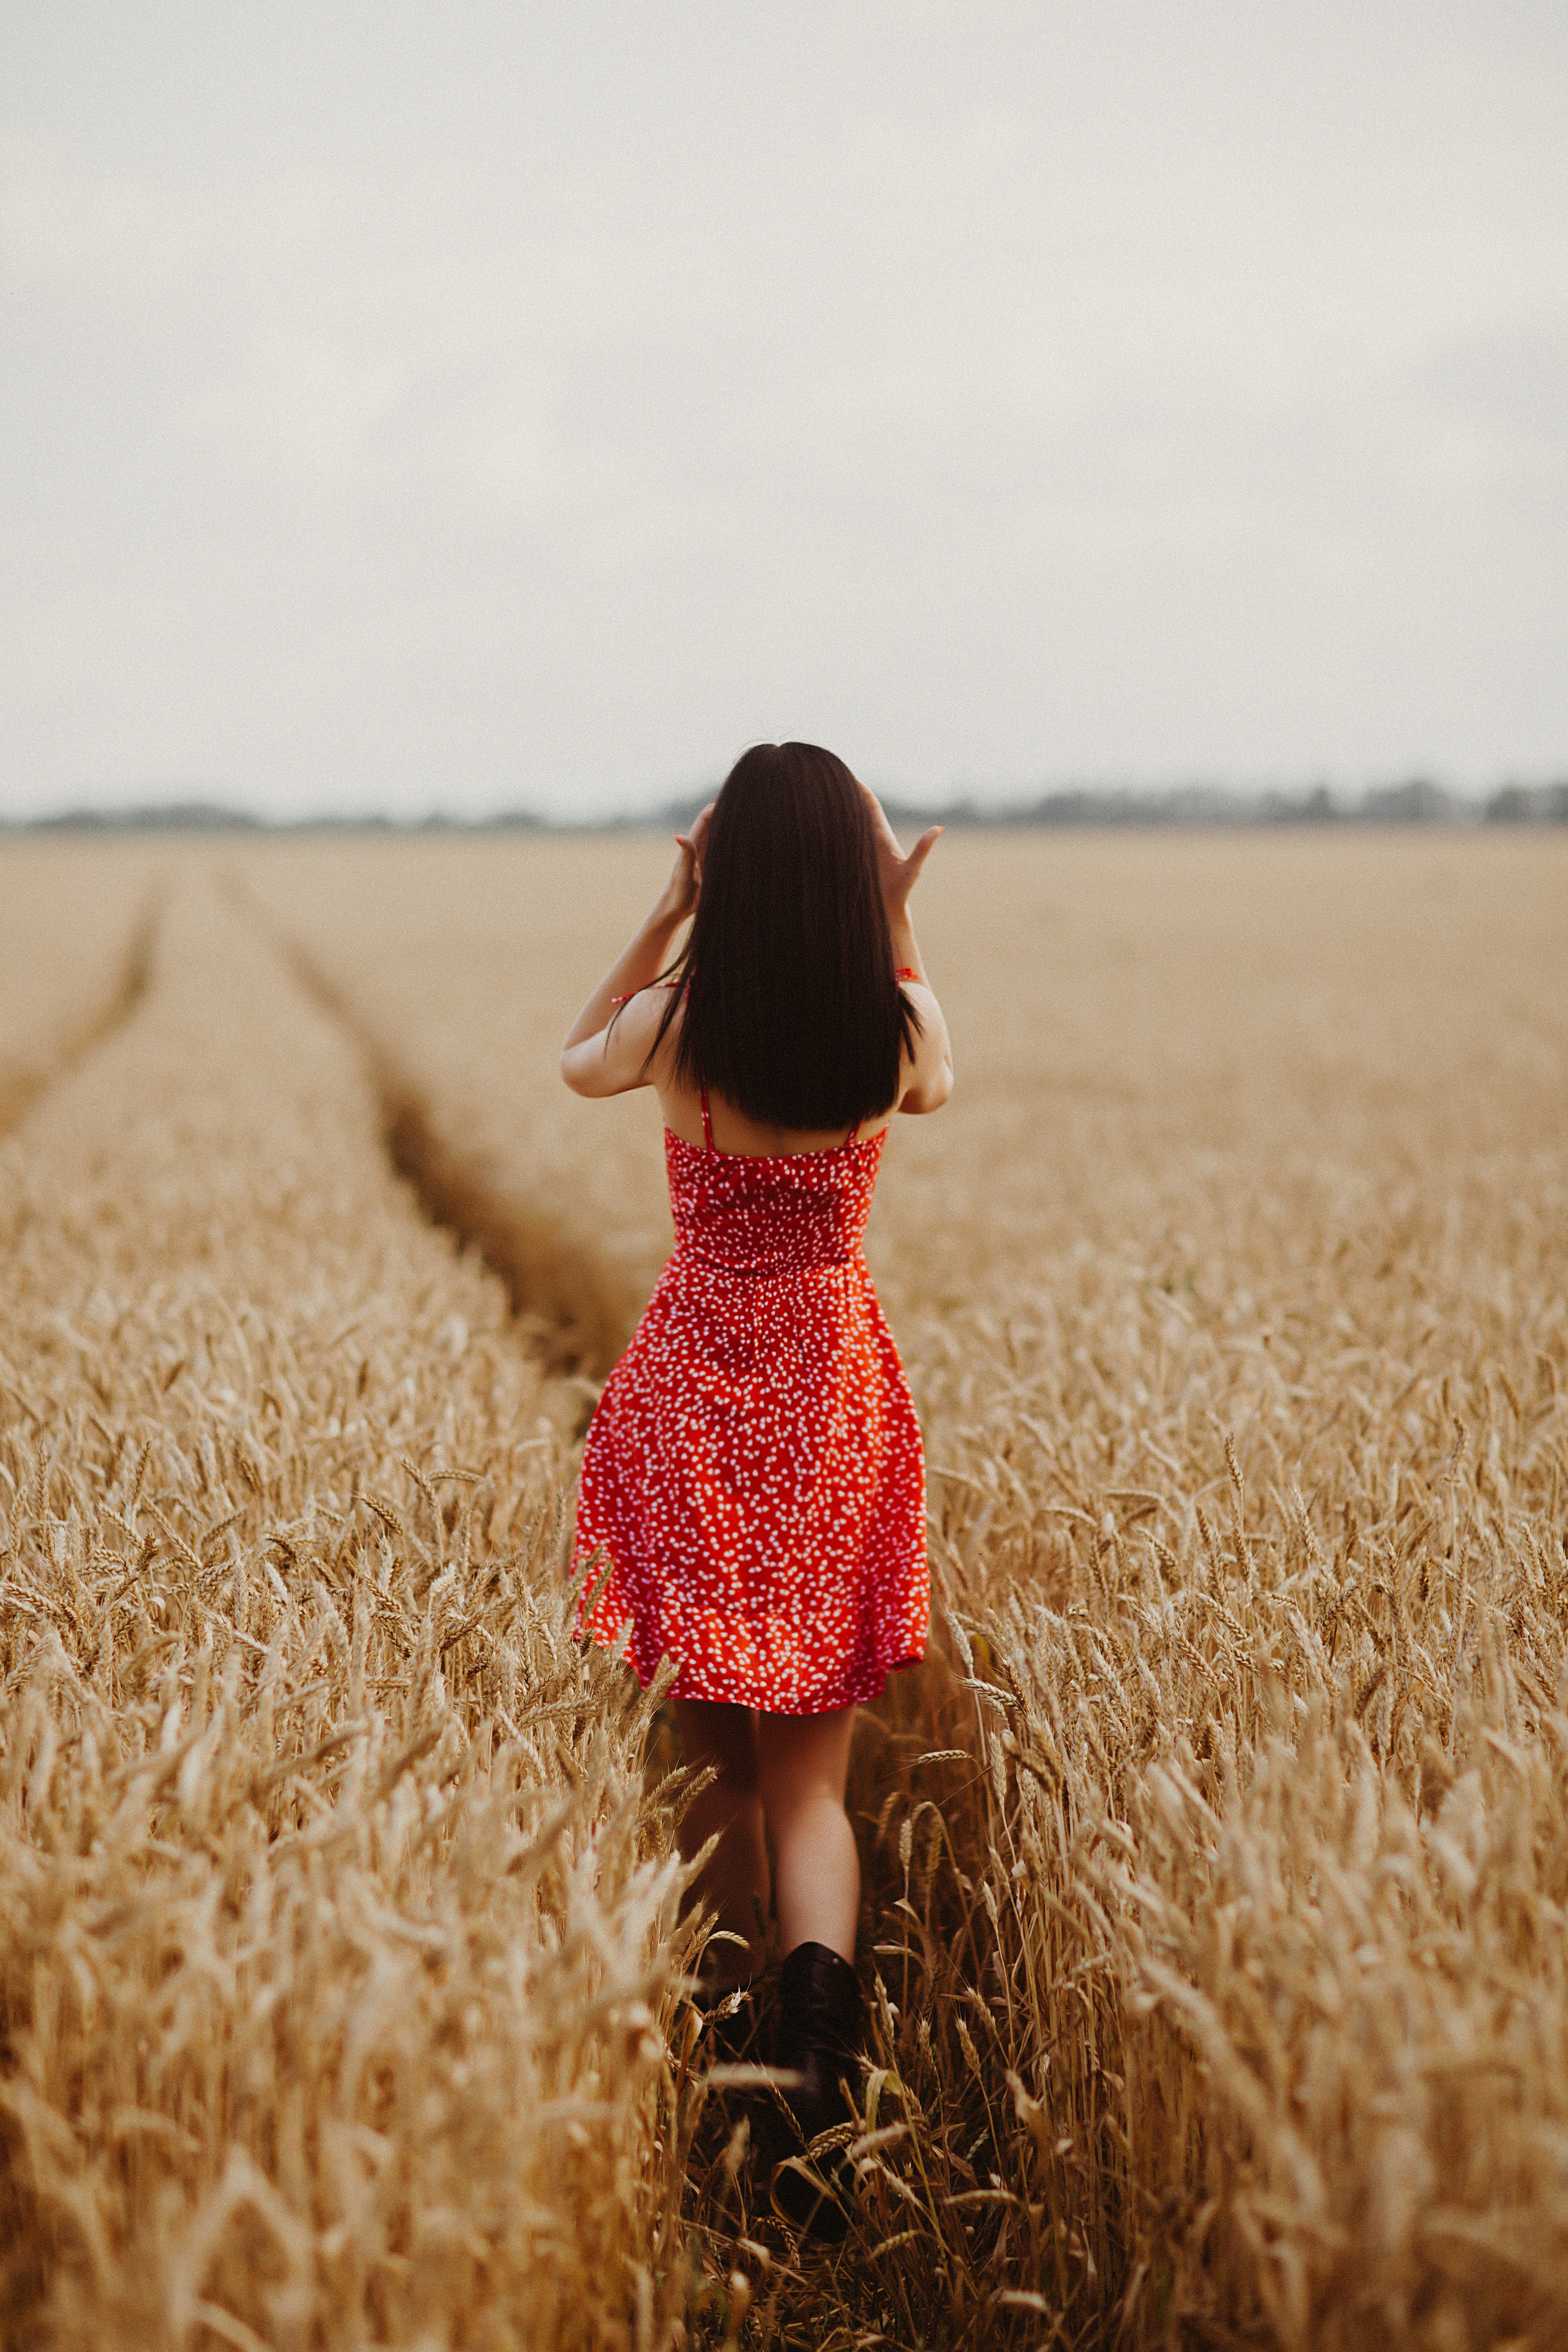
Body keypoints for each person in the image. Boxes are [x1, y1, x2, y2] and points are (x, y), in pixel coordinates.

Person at [560, 741, 952, 2238]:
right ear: (848, 878)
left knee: (710, 1760)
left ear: (727, 865)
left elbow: (573, 1056)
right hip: (832, 1399)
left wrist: (666, 910)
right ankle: (820, 2072)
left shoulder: (676, 1025)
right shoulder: (891, 1026)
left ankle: (732, 2043)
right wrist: (899, 919)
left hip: (694, 1401)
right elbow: (945, 1075)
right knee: (810, 1785)